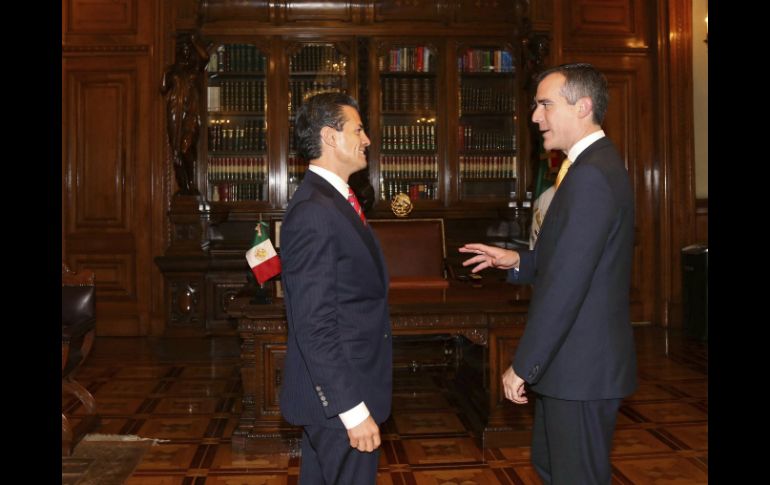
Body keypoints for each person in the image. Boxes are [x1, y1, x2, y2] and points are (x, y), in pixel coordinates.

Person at [460, 63, 637, 485]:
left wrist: (522, 366)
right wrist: (516, 260)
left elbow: (566, 287)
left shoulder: (591, 174)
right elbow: (568, 261)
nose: (535, 116)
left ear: (583, 107)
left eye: (545, 104)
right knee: (553, 468)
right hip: (576, 368)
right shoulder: (588, 167)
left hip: (581, 369)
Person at [279, 92, 391, 484]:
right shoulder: (315, 211)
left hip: (343, 390)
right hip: (340, 401)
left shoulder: (336, 200)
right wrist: (351, 409)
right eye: (358, 129)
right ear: (330, 137)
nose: (367, 140)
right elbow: (314, 324)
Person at [160, 33, 209, 195]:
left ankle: (190, 183)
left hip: (191, 116)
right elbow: (162, 88)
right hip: (175, 113)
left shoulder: (194, 69)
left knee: (186, 148)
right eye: (184, 49)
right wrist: (166, 72)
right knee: (176, 151)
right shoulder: (174, 71)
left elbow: (204, 57)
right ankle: (184, 187)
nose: (187, 52)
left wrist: (194, 40)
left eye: (189, 49)